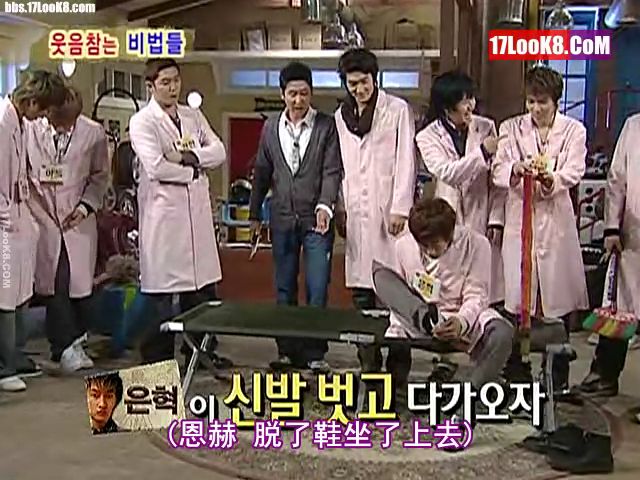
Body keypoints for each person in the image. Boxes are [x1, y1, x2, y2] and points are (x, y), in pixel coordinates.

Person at [372, 198, 514, 427]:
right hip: (419, 316)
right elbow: (398, 292)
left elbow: (476, 295)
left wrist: (461, 322)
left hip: (462, 314)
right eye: (423, 245)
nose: (429, 251)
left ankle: (468, 398)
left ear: (450, 234)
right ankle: (396, 392)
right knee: (383, 279)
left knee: (503, 333)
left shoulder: (477, 245)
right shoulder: (404, 246)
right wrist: (421, 316)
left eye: (435, 245)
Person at [492, 66, 589, 390]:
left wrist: (552, 179)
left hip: (554, 220)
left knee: (555, 303)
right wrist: (516, 168)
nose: (535, 109)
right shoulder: (511, 127)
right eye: (531, 102)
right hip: (520, 218)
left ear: (556, 101)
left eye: (542, 102)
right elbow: (498, 169)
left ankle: (557, 378)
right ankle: (515, 372)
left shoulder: (574, 130)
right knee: (516, 300)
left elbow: (575, 169)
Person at [129, 58, 230, 367]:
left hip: (195, 218)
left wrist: (188, 156)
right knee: (161, 297)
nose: (173, 87)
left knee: (201, 293)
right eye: (165, 82)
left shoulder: (192, 115)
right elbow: (156, 167)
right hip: (165, 219)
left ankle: (200, 355)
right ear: (151, 86)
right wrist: (193, 172)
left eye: (176, 81)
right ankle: (157, 361)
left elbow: (219, 151)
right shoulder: (143, 121)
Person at [249, 62, 342, 372]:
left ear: (311, 93)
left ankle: (315, 352)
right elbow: (262, 172)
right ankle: (287, 350)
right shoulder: (270, 127)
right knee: (284, 287)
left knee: (317, 286)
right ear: (282, 94)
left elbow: (332, 170)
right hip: (282, 218)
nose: (299, 100)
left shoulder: (326, 126)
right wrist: (254, 214)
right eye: (292, 94)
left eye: (304, 93)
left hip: (316, 220)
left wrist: (325, 206)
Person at [333, 48, 417, 372]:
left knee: (395, 296)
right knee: (361, 296)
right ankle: (369, 367)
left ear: (375, 77)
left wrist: (401, 208)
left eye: (364, 82)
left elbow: (406, 161)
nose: (359, 89)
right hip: (357, 214)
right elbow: (341, 167)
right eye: (352, 84)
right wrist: (341, 207)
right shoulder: (341, 117)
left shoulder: (397, 109)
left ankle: (397, 372)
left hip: (389, 215)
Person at [26, 86, 110, 372]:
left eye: (68, 124)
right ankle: (63, 346)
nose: (61, 129)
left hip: (77, 219)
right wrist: (38, 213)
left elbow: (100, 177)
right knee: (55, 282)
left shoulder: (93, 133)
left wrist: (84, 208)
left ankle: (71, 343)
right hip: (42, 216)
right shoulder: (31, 130)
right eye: (57, 123)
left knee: (77, 286)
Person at [1, 70, 67, 392]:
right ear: (31, 101)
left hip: (19, 215)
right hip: (4, 220)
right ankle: (3, 366)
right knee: (5, 291)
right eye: (42, 110)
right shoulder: (2, 123)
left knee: (21, 291)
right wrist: (7, 216)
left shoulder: (21, 124)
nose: (41, 117)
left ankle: (14, 355)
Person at [416, 70, 506, 306]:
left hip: (481, 213)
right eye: (464, 101)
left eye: (471, 98)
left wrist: (496, 218)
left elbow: (496, 179)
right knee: (450, 285)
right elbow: (448, 173)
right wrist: (482, 152)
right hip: (448, 215)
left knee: (483, 284)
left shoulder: (486, 127)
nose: (470, 106)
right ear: (447, 107)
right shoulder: (427, 136)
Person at [577, 112, 640, 401]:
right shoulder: (633, 126)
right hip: (632, 238)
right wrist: (611, 228)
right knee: (618, 308)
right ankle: (603, 375)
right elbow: (617, 179)